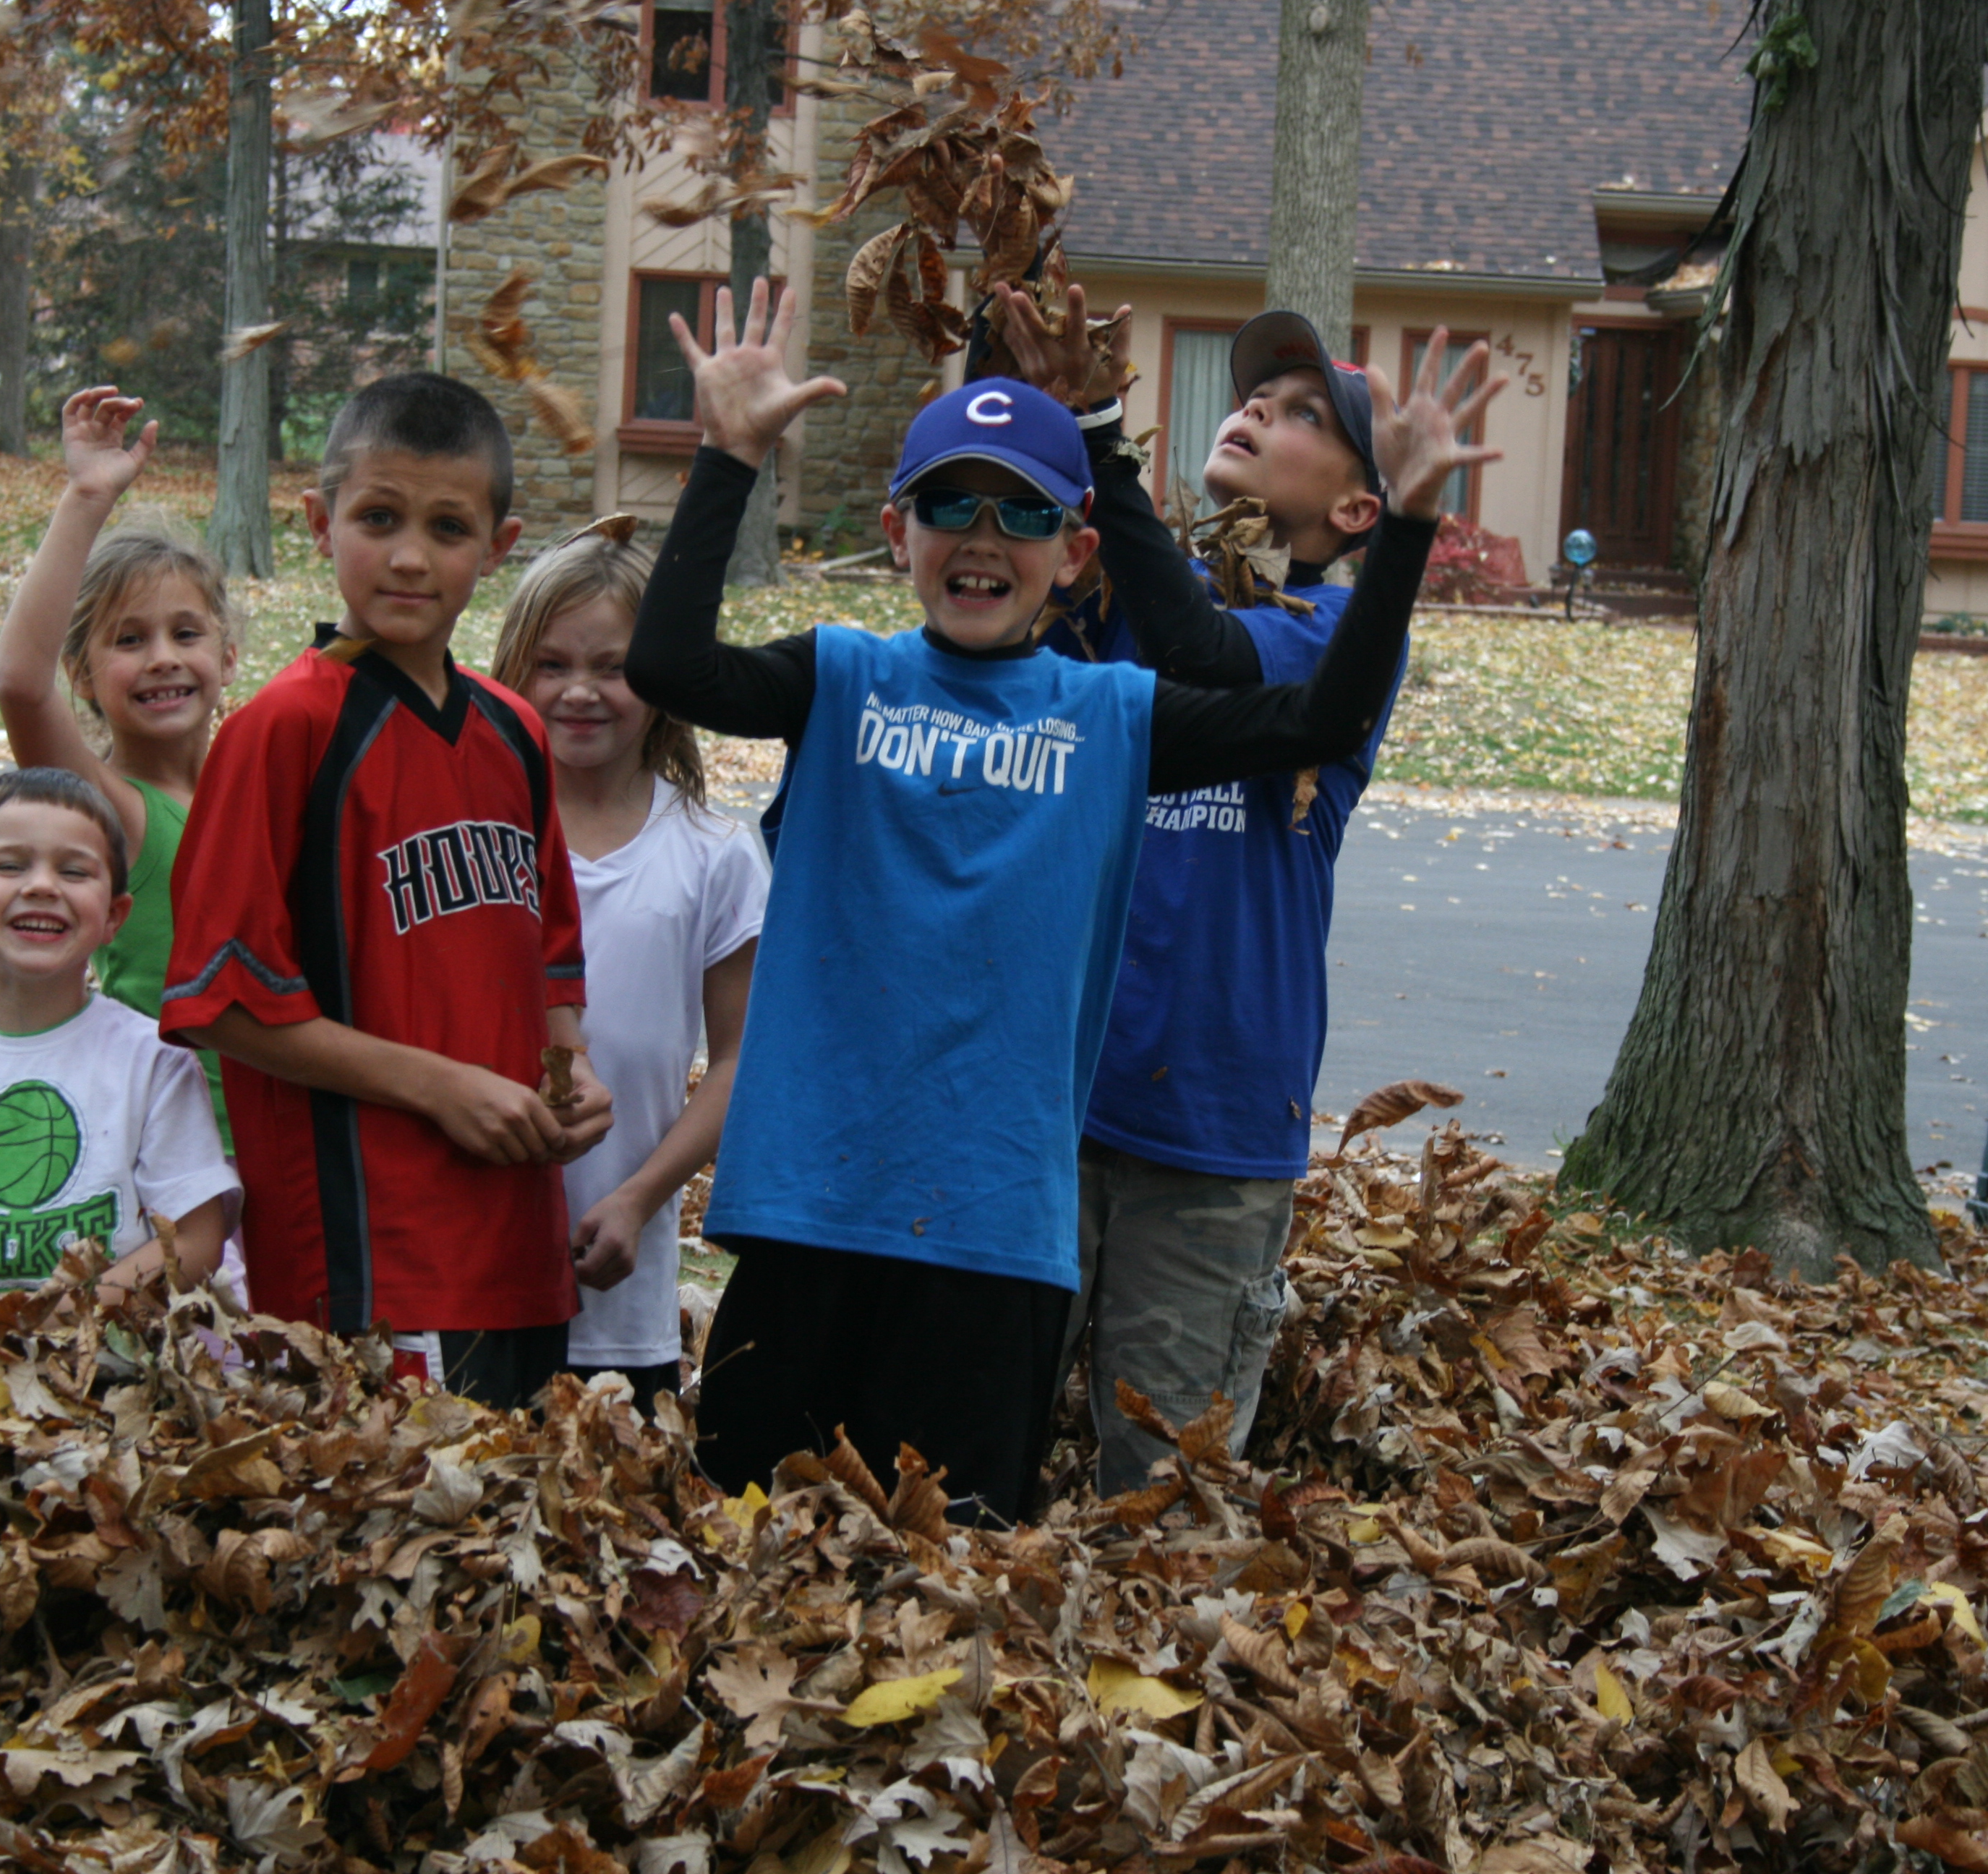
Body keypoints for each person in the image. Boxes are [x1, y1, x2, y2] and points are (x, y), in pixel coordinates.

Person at [626, 281, 1499, 1522]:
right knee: (752, 1523)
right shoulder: (846, 674)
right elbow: (669, 666)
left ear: (1073, 548)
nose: (984, 534)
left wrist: (1406, 526)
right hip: (831, 1192)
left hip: (1021, 1213)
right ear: (898, 530)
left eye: (1025, 513)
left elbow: (1311, 713)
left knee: (990, 1540)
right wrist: (726, 457)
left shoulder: (1119, 708)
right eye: (950, 506)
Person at [991, 285, 1419, 1494]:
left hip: (1215, 1132)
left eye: (1301, 413)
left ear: (1356, 509)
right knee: (974, 1436)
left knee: (1167, 1489)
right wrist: (1029, 393)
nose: (1257, 409)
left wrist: (1100, 434)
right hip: (1054, 1100)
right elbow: (1007, 590)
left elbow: (1205, 651)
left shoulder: (1340, 636)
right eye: (1255, 394)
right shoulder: (1123, 592)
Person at [162, 372, 616, 1410]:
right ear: (320, 523)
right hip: (369, 1260)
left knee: (512, 1501)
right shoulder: (285, 730)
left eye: (448, 528)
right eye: (378, 518)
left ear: (497, 547)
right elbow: (222, 1001)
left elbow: (550, 958)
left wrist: (573, 1068)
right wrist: (441, 1086)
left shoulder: (514, 730)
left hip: (518, 1244)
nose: (410, 556)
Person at [488, 518, 766, 1410]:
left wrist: (641, 1200)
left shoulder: (714, 854)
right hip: (469, 1273)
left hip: (618, 1288)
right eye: (552, 664)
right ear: (512, 669)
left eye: (613, 667)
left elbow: (739, 1059)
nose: (580, 691)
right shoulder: (474, 838)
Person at [0, 768, 236, 1300]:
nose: (41, 886)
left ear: (114, 916)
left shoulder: (154, 1060)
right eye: (9, 865)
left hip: (130, 1339)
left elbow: (195, 1239)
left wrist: (57, 1320)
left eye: (74, 871)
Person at [0, 385, 239, 1142]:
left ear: (227, 655)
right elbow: (20, 685)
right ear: (82, 675)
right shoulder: (113, 810)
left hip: (295, 1138)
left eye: (185, 634)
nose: (163, 658)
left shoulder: (254, 782)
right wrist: (87, 497)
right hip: (180, 1149)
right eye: (129, 641)